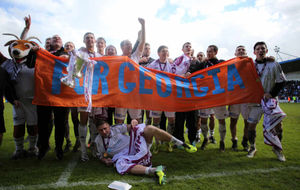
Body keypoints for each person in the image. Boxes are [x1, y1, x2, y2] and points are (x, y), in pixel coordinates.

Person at [95, 119, 196, 185]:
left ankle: (181, 144)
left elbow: (130, 126)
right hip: (125, 157)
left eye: (105, 128)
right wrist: (105, 161)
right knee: (119, 164)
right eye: (101, 130)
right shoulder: (98, 141)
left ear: (109, 126)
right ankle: (155, 170)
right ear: (97, 131)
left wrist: (134, 122)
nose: (104, 132)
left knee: (149, 129)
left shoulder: (116, 128)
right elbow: (100, 156)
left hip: (135, 146)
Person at [247, 41, 286, 161]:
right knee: (251, 126)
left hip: (270, 101)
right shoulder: (249, 66)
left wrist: (271, 94)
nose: (260, 50)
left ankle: (278, 149)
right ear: (254, 52)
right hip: (255, 102)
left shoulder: (273, 64)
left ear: (266, 51)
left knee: (278, 125)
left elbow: (282, 81)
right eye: (257, 49)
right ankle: (252, 147)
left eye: (263, 48)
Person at [37, 34, 69, 160]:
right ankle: (43, 147)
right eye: (54, 38)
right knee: (43, 123)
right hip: (44, 93)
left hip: (61, 94)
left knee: (60, 123)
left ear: (62, 42)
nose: (57, 39)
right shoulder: (43, 53)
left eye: (59, 38)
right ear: (50, 42)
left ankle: (59, 148)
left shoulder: (69, 53)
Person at [77, 32, 103, 161]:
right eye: (87, 38)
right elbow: (76, 70)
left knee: (94, 121)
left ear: (95, 40)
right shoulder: (80, 53)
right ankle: (83, 150)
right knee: (83, 120)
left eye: (92, 38)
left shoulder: (99, 56)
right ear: (83, 40)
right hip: (84, 92)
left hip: (97, 92)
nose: (90, 40)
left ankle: (94, 147)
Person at [114, 18, 145, 125]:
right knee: (119, 121)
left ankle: (137, 140)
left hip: (134, 93)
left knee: (137, 120)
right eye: (127, 44)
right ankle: (121, 141)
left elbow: (142, 42)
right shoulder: (116, 59)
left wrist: (143, 25)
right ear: (122, 47)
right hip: (121, 93)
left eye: (131, 44)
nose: (130, 45)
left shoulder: (135, 56)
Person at [147, 45, 176, 153]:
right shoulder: (153, 65)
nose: (165, 53)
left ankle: (168, 143)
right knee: (156, 121)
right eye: (163, 51)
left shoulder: (172, 65)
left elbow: (177, 76)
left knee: (172, 120)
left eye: (166, 51)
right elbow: (146, 75)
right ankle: (157, 144)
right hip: (156, 97)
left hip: (169, 97)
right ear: (158, 53)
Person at [173, 42, 198, 148]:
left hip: (192, 94)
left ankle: (192, 140)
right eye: (186, 47)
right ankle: (179, 141)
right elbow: (173, 73)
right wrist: (183, 75)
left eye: (190, 47)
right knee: (179, 118)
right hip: (180, 93)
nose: (188, 48)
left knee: (193, 119)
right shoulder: (178, 59)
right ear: (182, 49)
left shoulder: (196, 61)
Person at [228, 45, 250, 151]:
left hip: (247, 99)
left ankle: (245, 141)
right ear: (235, 53)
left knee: (248, 122)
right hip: (235, 99)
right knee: (233, 121)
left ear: (246, 52)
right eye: (239, 50)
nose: (241, 51)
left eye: (243, 50)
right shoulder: (230, 65)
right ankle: (234, 140)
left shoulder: (252, 64)